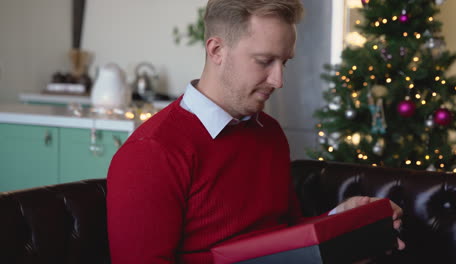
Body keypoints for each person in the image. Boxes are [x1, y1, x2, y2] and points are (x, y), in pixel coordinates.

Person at [106, 0, 405, 263]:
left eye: (284, 62)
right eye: (264, 61)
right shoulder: (152, 151)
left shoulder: (269, 132)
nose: (278, 80)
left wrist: (339, 221)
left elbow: (285, 237)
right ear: (217, 50)